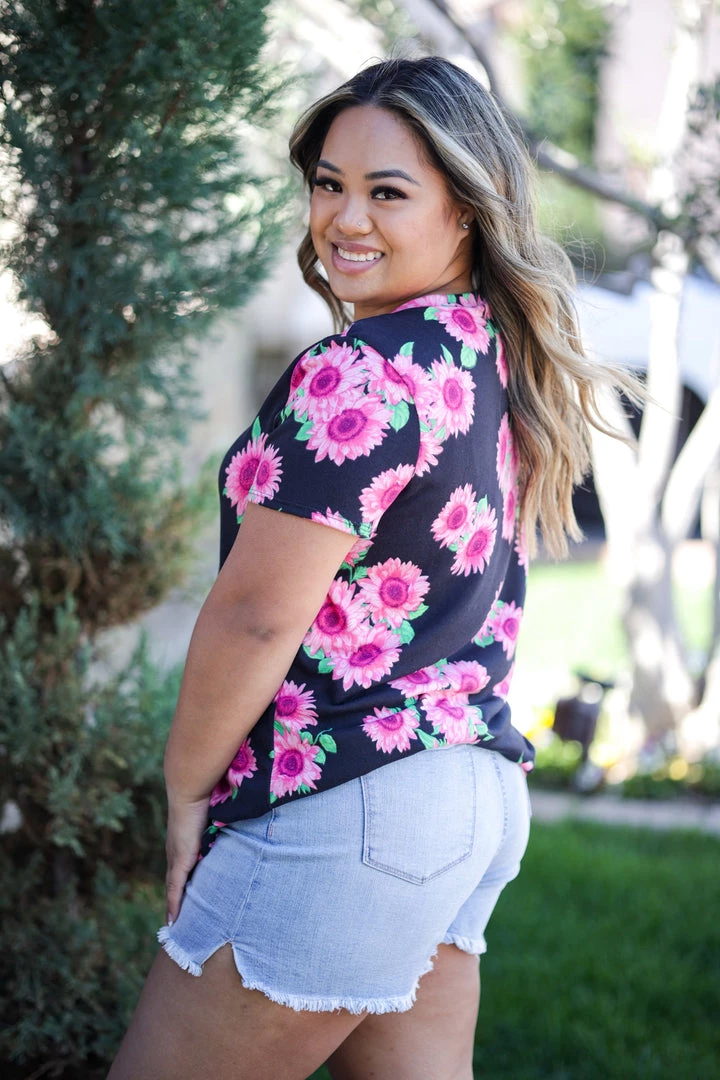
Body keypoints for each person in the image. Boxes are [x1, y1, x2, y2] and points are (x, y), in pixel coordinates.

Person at [109, 56, 633, 1080]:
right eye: (329, 184)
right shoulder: (486, 354)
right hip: (467, 798)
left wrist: (184, 792)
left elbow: (257, 621)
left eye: (388, 192)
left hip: (348, 804)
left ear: (467, 213)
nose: (345, 218)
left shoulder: (360, 371)